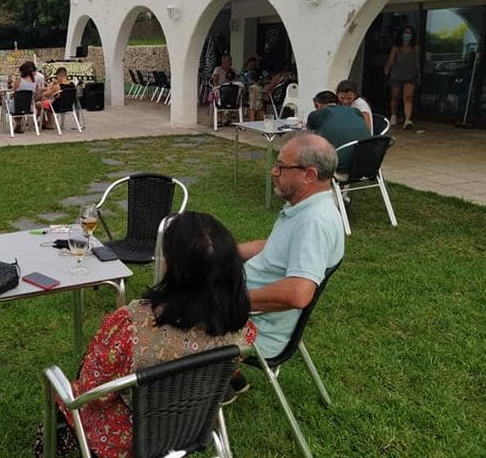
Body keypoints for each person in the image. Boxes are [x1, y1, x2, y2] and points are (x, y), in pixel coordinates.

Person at [56, 212, 257, 458]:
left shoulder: (129, 326)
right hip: (190, 429)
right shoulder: (243, 331)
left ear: (172, 266)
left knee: (62, 394)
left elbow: (93, 395)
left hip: (125, 440)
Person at [237, 133, 344, 361]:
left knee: (158, 323)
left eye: (281, 167)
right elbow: (278, 247)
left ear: (309, 175)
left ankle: (203, 380)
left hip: (255, 328)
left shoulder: (314, 222)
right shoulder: (307, 207)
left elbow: (298, 293)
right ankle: (223, 377)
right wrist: (225, 250)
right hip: (247, 309)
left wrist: (229, 302)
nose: (273, 172)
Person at [306, 91, 370, 173]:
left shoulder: (317, 114)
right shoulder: (355, 111)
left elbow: (308, 139)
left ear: (317, 105)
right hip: (365, 162)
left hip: (336, 162)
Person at [384, 25, 420, 129]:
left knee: (408, 97)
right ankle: (393, 115)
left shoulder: (415, 48)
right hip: (396, 76)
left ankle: (407, 119)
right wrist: (387, 69)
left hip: (411, 75)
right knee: (395, 97)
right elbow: (390, 61)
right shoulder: (396, 48)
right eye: (406, 33)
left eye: (409, 33)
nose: (407, 35)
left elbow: (417, 63)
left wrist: (419, 75)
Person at [10, 61, 40, 133]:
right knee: (21, 102)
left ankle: (19, 123)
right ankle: (20, 124)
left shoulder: (19, 81)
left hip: (16, 107)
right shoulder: (35, 83)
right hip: (29, 107)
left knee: (9, 102)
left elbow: (12, 93)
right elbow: (35, 94)